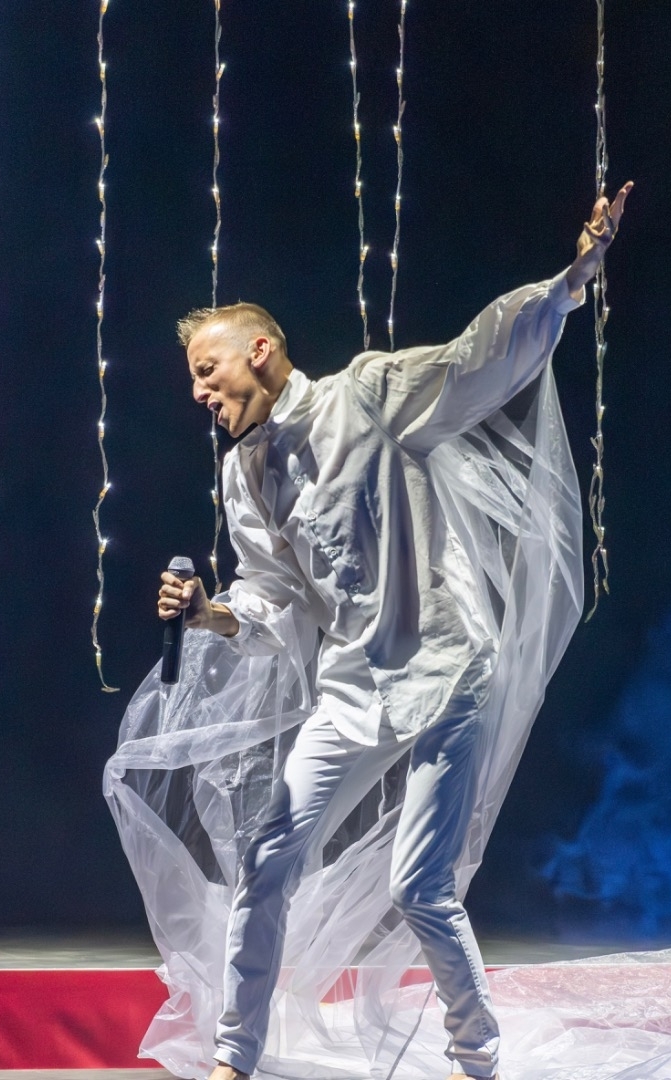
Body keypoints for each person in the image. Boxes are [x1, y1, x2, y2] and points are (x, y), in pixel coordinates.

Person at [155, 184, 632, 1080]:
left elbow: (477, 357)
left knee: (419, 885)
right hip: (352, 686)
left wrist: (571, 280)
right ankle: (232, 1060)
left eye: (207, 369)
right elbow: (271, 594)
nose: (198, 391)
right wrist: (208, 612)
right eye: (193, 378)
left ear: (260, 350)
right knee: (267, 857)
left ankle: (476, 1058)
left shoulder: (365, 395)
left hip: (445, 666)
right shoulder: (242, 476)